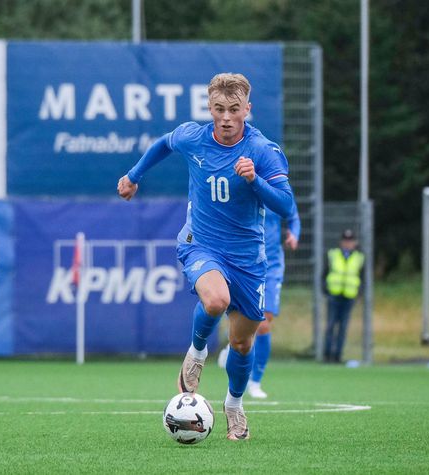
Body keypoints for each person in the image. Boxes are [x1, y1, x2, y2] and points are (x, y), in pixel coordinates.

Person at [117, 72, 293, 440]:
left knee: (244, 343)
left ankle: (233, 404)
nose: (226, 117)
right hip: (201, 244)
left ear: (247, 109)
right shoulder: (193, 137)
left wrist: (255, 181)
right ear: (209, 108)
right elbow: (164, 144)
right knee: (216, 300)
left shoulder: (262, 151)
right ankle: (196, 354)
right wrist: (134, 176)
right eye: (218, 109)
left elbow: (285, 204)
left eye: (233, 109)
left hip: (247, 258)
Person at [217, 201, 300, 399]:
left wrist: (294, 234)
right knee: (245, 318)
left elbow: (293, 216)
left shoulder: (275, 188)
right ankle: (234, 345)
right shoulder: (243, 185)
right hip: (246, 263)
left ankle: (255, 382)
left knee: (263, 323)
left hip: (271, 266)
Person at [322, 229, 365, 363]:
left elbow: (362, 277)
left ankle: (338, 355)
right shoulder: (333, 254)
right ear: (341, 242)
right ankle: (327, 355)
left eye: (350, 241)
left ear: (355, 242)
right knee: (330, 325)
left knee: (343, 327)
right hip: (334, 295)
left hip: (349, 296)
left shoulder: (359, 257)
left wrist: (359, 293)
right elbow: (324, 274)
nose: (348, 244)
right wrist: (325, 290)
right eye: (345, 241)